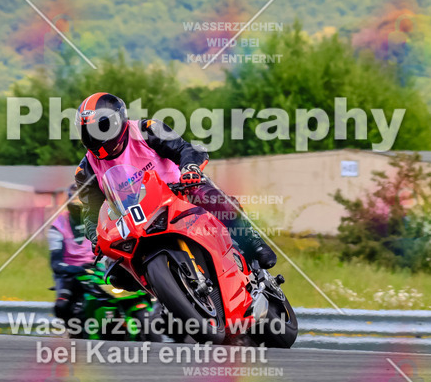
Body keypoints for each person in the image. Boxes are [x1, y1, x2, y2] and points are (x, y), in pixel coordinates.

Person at [72, 92, 277, 269]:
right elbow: (91, 212)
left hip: (179, 192)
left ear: (118, 121)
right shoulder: (86, 171)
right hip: (137, 220)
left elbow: (184, 149)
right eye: (88, 132)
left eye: (102, 128)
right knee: (115, 272)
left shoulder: (148, 129)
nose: (96, 138)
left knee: (204, 193)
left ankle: (252, 240)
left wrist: (189, 168)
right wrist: (94, 237)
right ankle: (159, 298)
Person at [47, 185, 95, 321]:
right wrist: (78, 269)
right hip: (70, 274)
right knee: (62, 306)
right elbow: (55, 263)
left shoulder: (98, 220)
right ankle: (75, 332)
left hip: (97, 271)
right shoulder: (57, 226)